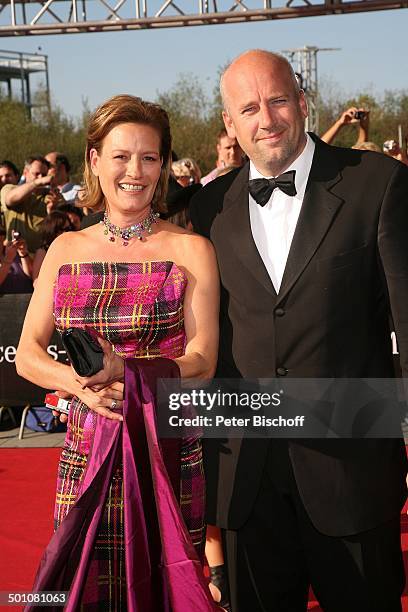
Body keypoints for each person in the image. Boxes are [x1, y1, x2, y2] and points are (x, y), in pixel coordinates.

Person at [190, 49, 408, 612]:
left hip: (352, 471)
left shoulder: (378, 183)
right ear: (229, 124)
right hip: (244, 479)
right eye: (249, 108)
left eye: (279, 99)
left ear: (304, 102)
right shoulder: (207, 207)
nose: (267, 118)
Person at [16, 94, 220, 611]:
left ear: (164, 166)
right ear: (94, 161)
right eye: (121, 156)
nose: (135, 170)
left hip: (165, 450)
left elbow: (202, 359)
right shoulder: (64, 250)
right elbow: (27, 355)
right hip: (87, 448)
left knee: (167, 584)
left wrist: (129, 375)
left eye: (149, 157)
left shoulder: (191, 249)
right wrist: (82, 384)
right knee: (84, 587)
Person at [1, 155, 63, 254]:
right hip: (13, 257)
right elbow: (10, 199)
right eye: (36, 174)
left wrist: (52, 211)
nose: (41, 177)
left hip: (40, 257)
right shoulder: (9, 188)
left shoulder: (51, 195)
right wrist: (37, 183)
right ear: (25, 173)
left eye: (44, 174)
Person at [32, 210, 76, 285]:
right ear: (52, 231)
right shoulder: (43, 251)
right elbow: (36, 282)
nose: (65, 233)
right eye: (60, 230)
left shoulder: (74, 249)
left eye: (68, 229)